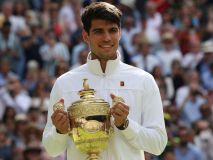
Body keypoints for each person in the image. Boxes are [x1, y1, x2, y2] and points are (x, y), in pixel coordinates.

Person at [42, 2, 167, 160]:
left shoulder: (143, 80)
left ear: (120, 33)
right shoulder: (65, 83)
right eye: (99, 31)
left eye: (112, 30)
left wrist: (125, 125)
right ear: (85, 35)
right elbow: (51, 148)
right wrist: (59, 131)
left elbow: (158, 144)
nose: (107, 38)